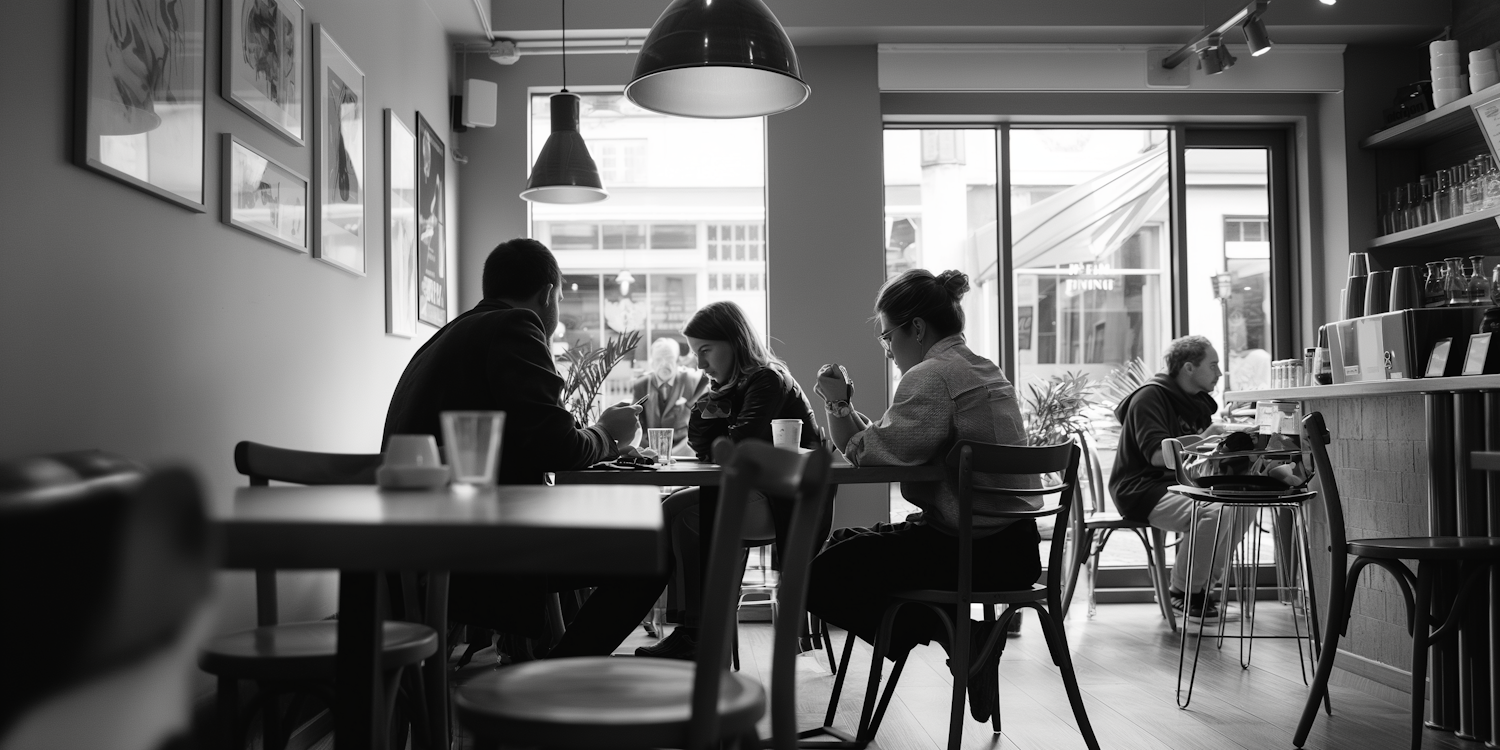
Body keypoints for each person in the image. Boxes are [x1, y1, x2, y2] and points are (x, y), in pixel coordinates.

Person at [382, 237, 662, 658]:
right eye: (560, 299)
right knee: (650, 552)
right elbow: (559, 447)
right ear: (548, 294)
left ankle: (544, 666)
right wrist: (608, 433)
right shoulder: (516, 325)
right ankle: (560, 673)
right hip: (480, 552)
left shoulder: (444, 337)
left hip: (416, 549)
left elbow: (532, 436)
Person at [806, 269, 1039, 723]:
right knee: (842, 548)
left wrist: (836, 406)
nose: (888, 348)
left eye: (887, 336)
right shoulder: (982, 368)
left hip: (970, 552)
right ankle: (964, 640)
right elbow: (888, 447)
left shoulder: (932, 376)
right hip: (1015, 547)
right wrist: (847, 412)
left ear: (915, 328)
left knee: (818, 577)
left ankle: (961, 639)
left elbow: (873, 456)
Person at [634, 301, 828, 660]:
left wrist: (717, 407)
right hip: (758, 495)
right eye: (695, 353)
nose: (700, 363)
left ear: (735, 342)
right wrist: (714, 399)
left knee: (688, 515)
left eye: (705, 351)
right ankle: (694, 630)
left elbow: (737, 446)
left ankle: (703, 635)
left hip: (786, 503)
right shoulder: (732, 385)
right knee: (670, 508)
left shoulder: (767, 378)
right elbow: (703, 444)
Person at [1109, 334, 1250, 623]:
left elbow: (1196, 454)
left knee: (1243, 506)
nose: (1219, 373)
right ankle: (1182, 592)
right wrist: (1204, 439)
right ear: (1188, 368)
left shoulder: (1195, 402)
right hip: (1142, 488)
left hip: (1181, 485)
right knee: (1215, 510)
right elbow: (1157, 457)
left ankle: (1201, 590)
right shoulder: (1150, 398)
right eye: (1212, 365)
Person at [631, 337, 709, 455]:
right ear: (652, 363)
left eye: (669, 358)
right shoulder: (641, 385)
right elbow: (635, 423)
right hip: (651, 450)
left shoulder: (692, 380)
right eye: (658, 359)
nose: (664, 364)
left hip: (684, 449)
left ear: (678, 361)